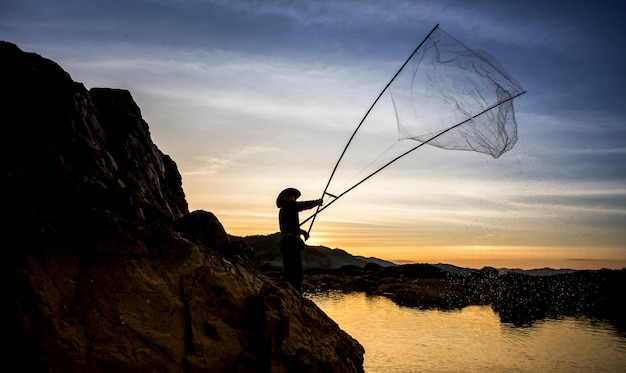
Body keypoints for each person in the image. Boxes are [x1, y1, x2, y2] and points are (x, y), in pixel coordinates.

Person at [276, 188, 322, 291]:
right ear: (286, 197)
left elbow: (292, 227)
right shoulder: (288, 207)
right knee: (295, 271)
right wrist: (317, 202)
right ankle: (291, 293)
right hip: (289, 243)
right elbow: (303, 205)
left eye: (294, 196)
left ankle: (286, 291)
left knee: (291, 270)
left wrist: (302, 232)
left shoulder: (288, 209)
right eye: (292, 196)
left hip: (289, 242)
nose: (294, 198)